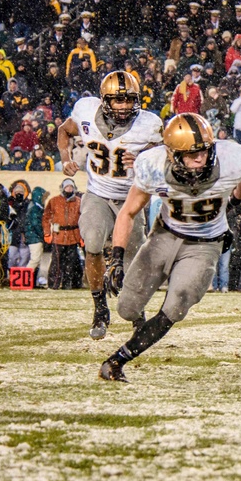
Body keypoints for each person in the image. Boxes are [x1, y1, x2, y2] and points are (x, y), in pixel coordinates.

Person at [98, 113, 241, 382]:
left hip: (205, 244)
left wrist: (237, 200)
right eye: (192, 153)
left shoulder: (231, 159)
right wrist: (116, 257)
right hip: (165, 235)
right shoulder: (153, 165)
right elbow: (127, 212)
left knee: (177, 303)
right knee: (126, 308)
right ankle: (141, 322)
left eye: (205, 150)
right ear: (172, 155)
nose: (201, 158)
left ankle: (118, 360)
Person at [58, 71, 163, 340]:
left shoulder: (148, 124)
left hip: (132, 197)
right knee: (92, 243)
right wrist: (66, 157)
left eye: (129, 99)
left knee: (133, 259)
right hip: (97, 193)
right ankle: (100, 308)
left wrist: (142, 157)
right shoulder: (85, 110)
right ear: (104, 100)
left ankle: (136, 312)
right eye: (118, 100)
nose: (125, 105)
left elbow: (165, 154)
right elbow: (64, 130)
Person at [43, 178, 83, 290]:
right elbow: (46, 218)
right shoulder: (54, 201)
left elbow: (83, 220)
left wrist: (82, 237)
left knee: (71, 262)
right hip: (58, 235)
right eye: (67, 187)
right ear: (63, 188)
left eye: (71, 187)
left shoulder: (79, 202)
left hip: (73, 236)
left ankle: (67, 284)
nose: (69, 189)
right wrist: (47, 233)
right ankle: (53, 284)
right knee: (57, 262)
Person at [24, 186, 49, 288]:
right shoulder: (36, 208)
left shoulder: (34, 206)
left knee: (36, 260)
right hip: (35, 238)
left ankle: (32, 282)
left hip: (33, 237)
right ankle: (25, 280)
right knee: (35, 260)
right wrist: (43, 235)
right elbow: (36, 224)